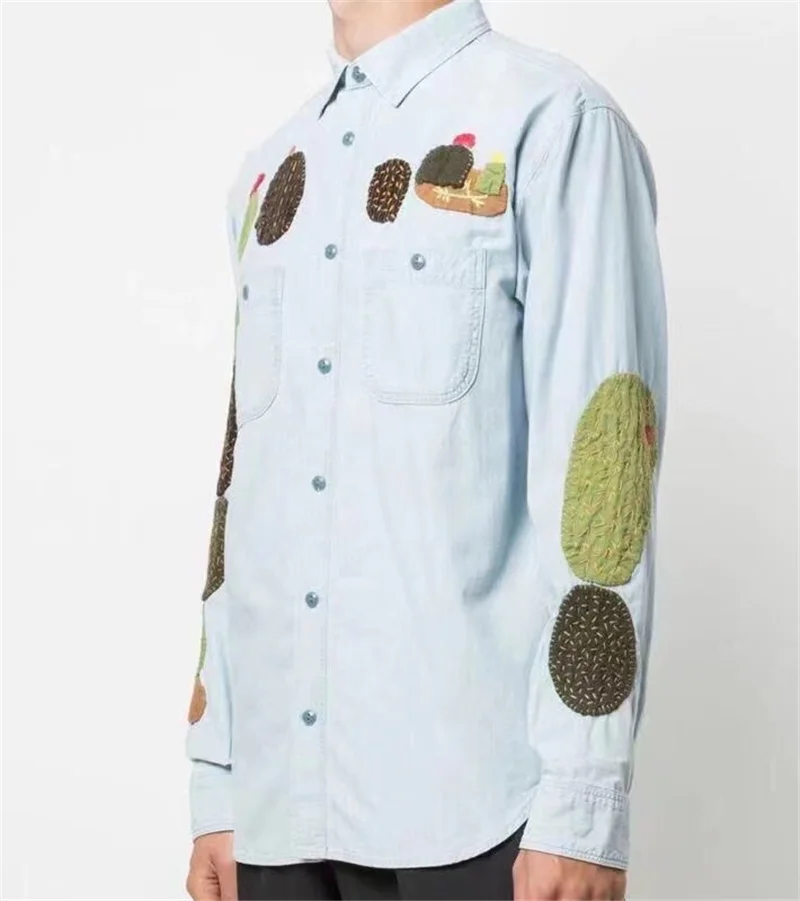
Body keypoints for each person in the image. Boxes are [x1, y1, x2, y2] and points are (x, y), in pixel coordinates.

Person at [184, 0, 668, 898]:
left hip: (484, 814)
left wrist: (584, 806)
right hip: (276, 807)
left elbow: (606, 481)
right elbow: (240, 489)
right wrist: (217, 775)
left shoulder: (554, 124)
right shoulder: (270, 172)